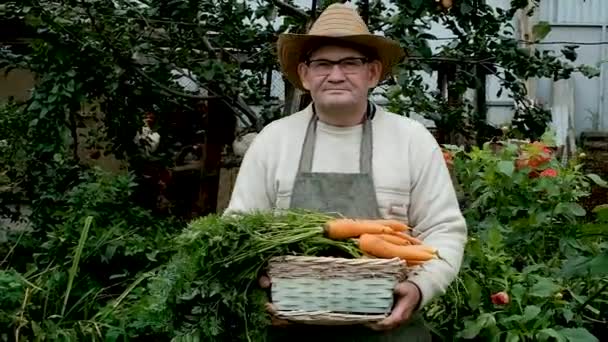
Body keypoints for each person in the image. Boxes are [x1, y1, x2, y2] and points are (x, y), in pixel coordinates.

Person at [225, 3, 467, 341]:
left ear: (373, 73)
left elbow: (445, 230)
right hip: (292, 328)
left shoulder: (412, 140)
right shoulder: (274, 140)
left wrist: (420, 287)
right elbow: (238, 229)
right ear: (305, 74)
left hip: (389, 329)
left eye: (350, 63)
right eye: (322, 63)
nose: (335, 75)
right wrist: (254, 280)